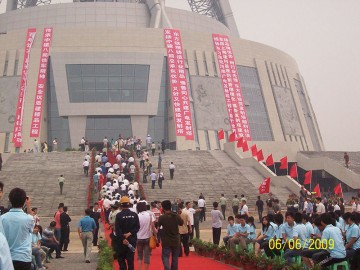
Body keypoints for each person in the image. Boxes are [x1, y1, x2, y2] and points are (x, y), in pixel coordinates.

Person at [0, 188, 34, 270]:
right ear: (24, 201)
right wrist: (28, 206)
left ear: (10, 200)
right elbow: (32, 223)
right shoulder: (28, 219)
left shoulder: (2, 218)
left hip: (8, 256)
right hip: (23, 257)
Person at [115, 196, 140, 270]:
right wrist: (130, 233)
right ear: (129, 204)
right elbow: (137, 227)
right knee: (130, 260)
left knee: (121, 258)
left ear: (120, 205)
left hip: (121, 241)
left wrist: (123, 238)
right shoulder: (134, 214)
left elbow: (117, 229)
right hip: (132, 240)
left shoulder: (119, 215)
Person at [158, 200, 184, 270]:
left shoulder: (162, 217)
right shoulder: (176, 216)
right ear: (171, 206)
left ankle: (167, 268)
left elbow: (157, 226)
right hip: (175, 239)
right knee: (175, 257)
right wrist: (178, 214)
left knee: (165, 256)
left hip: (166, 240)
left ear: (163, 208)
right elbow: (181, 223)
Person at [136, 202, 157, 270]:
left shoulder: (137, 216)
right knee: (146, 256)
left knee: (139, 255)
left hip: (138, 237)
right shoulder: (149, 215)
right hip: (147, 237)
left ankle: (140, 269)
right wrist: (156, 237)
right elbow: (153, 227)